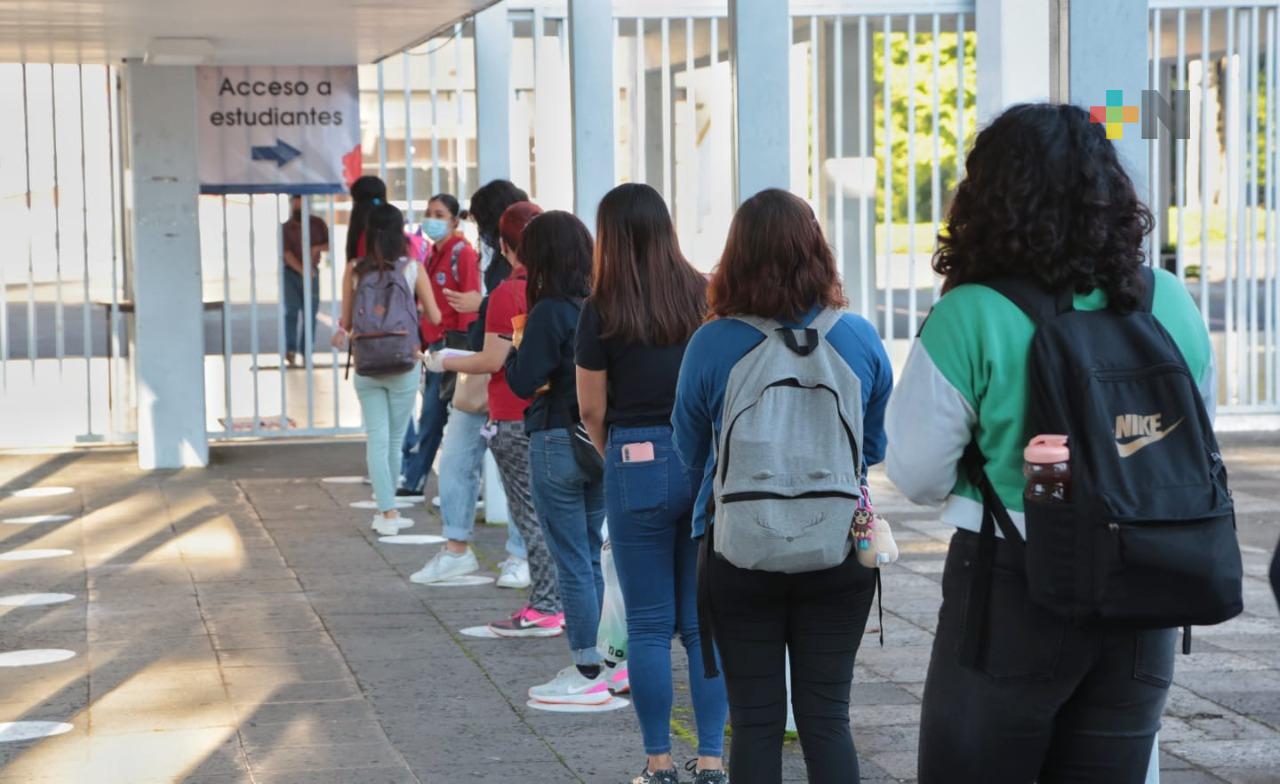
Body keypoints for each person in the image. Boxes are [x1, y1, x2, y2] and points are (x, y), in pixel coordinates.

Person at [885, 104, 1216, 784]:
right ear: (1110, 193)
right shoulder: (1171, 302)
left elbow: (915, 473)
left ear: (989, 196)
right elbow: (1196, 444)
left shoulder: (969, 313)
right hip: (1149, 582)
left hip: (1012, 584)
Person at [671, 189, 893, 784]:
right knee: (827, 719)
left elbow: (688, 451)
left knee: (756, 721)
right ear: (817, 252)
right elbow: (872, 449)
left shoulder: (712, 343)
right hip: (839, 548)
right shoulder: (859, 337)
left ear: (734, 258)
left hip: (737, 550)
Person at [576, 183, 728, 784]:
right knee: (700, 625)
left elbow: (591, 408)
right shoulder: (703, 295)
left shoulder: (602, 308)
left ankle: (659, 763)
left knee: (645, 624)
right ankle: (713, 759)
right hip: (701, 461)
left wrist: (617, 455)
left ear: (609, 236)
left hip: (633, 457)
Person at [413, 202, 563, 631]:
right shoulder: (567, 287)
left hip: (515, 415)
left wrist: (446, 362)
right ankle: (564, 603)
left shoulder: (509, 292)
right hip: (557, 415)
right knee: (560, 517)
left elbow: (495, 358)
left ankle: (546, 605)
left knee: (530, 513)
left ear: (504, 244)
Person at [505, 211, 609, 703]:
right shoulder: (598, 305)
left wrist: (512, 355)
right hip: (597, 442)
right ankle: (607, 658)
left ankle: (586, 664)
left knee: (571, 559)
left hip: (554, 441)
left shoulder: (548, 312)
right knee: (590, 554)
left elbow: (525, 381)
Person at [421, 180, 534, 587]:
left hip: (511, 380)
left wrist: (481, 307)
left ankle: (521, 556)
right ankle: (456, 547)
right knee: (456, 459)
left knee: (517, 476)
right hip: (485, 375)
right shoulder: (491, 256)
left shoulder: (529, 260)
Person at [333, 202, 441, 536]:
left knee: (376, 438)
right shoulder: (413, 268)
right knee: (395, 440)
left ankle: (387, 513)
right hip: (403, 361)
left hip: (367, 364)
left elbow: (348, 322)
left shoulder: (354, 269)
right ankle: (391, 510)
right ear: (400, 233)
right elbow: (436, 317)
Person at [397, 193, 481, 498]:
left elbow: (469, 305)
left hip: (452, 345)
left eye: (440, 214)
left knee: (435, 415)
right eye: (429, 212)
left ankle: (414, 479)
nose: (432, 219)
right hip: (434, 344)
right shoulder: (432, 253)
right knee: (439, 414)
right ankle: (415, 478)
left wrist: (458, 350)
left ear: (455, 220)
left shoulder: (463, 254)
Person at [281, 194, 330, 368]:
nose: (298, 205)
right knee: (291, 312)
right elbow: (286, 254)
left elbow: (328, 244)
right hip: (291, 274)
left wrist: (316, 248)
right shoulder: (286, 228)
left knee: (310, 314)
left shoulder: (317, 224)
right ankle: (291, 349)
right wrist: (303, 271)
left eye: (301, 201)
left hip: (313, 273)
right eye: (295, 202)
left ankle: (307, 351)